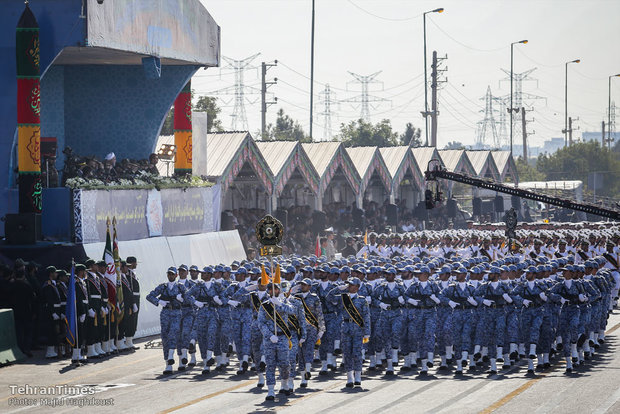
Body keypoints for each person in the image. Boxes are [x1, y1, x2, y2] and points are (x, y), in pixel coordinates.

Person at [327, 277, 370, 388]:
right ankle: (349, 377)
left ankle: (358, 376)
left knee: (357, 353)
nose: (349, 287)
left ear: (357, 287)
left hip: (358, 329)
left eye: (352, 285)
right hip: (346, 327)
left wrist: (367, 332)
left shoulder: (362, 300)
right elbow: (328, 298)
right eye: (349, 285)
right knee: (347, 353)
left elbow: (366, 316)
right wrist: (338, 289)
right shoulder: (343, 298)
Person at [146, 267, 189, 375]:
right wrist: (159, 301)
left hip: (176, 313)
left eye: (172, 274)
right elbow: (149, 296)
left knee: (174, 334)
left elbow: (189, 298)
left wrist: (182, 299)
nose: (170, 276)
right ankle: (168, 364)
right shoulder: (163, 287)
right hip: (165, 313)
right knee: (165, 337)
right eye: (169, 274)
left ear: (176, 276)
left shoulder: (180, 287)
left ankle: (179, 361)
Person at [258, 282, 294, 401]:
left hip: (283, 338)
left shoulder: (284, 303)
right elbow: (261, 323)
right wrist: (269, 335)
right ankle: (271, 390)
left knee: (284, 363)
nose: (273, 291)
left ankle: (284, 382)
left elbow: (292, 311)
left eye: (275, 289)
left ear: (279, 290)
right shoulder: (264, 306)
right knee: (270, 365)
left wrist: (279, 304)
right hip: (270, 339)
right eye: (270, 289)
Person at [42, 266, 62, 359]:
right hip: (51, 311)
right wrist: (53, 312)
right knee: (51, 331)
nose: (56, 274)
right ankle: (49, 351)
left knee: (55, 332)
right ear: (51, 274)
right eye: (55, 272)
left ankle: (52, 350)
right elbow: (49, 300)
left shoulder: (54, 284)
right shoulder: (48, 285)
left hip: (56, 310)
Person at [125, 256, 141, 351]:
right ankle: (128, 341)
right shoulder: (128, 275)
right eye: (135, 263)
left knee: (134, 319)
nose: (136, 265)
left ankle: (130, 339)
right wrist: (133, 302)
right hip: (132, 299)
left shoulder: (132, 273)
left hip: (136, 297)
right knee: (131, 320)